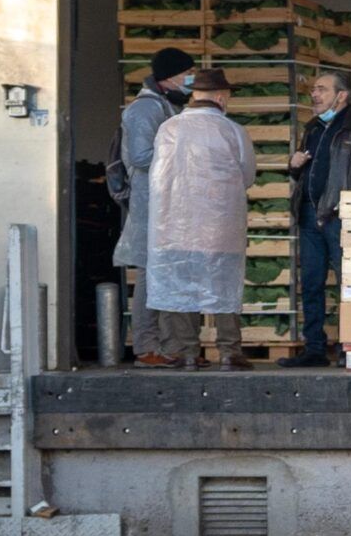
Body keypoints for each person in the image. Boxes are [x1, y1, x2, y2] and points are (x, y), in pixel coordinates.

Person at [145, 66, 259, 370]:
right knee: (222, 286)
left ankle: (186, 353)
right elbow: (247, 175)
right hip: (219, 227)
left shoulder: (168, 128)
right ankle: (228, 352)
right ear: (221, 97)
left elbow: (156, 176)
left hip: (172, 226)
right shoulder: (233, 131)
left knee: (179, 285)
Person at [283, 68, 351, 367]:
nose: (314, 95)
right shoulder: (313, 128)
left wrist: (350, 206)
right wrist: (294, 166)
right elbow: (307, 170)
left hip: (341, 218)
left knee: (350, 284)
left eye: (321, 89)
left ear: (341, 95)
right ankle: (314, 349)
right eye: (314, 89)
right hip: (309, 216)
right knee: (312, 282)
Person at [111, 46, 197, 367]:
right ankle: (146, 346)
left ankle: (171, 347)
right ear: (169, 76)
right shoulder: (145, 109)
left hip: (170, 205)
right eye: (186, 72)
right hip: (153, 206)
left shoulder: (168, 105)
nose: (191, 78)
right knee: (151, 275)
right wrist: (185, 156)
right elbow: (141, 156)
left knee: (167, 275)